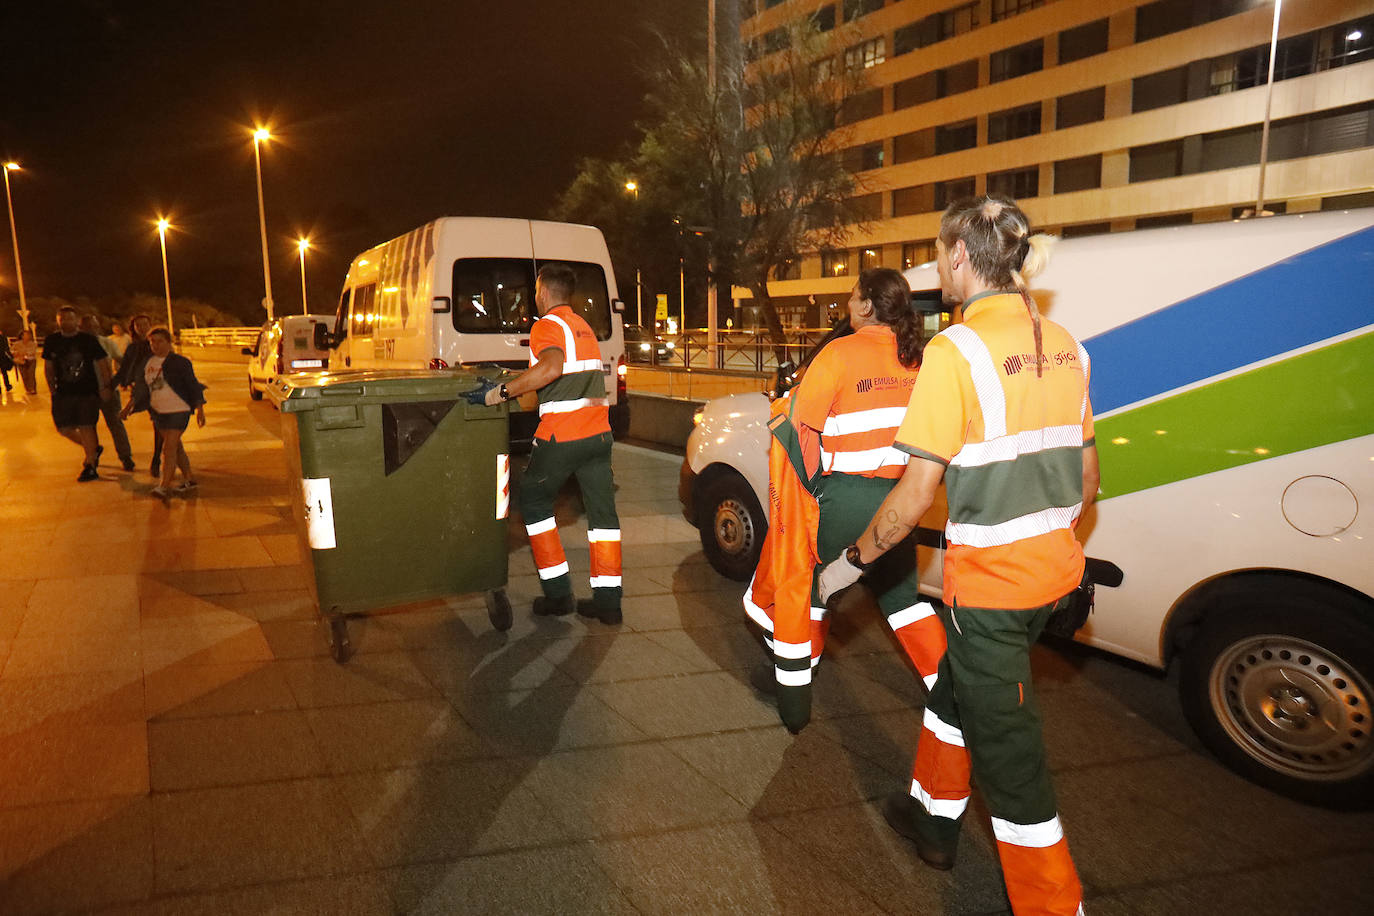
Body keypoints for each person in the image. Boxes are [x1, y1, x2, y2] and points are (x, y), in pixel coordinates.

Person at [818, 195, 1099, 916]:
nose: (939, 267)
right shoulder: (1068, 344)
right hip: (1055, 582)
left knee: (1015, 768)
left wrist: (847, 565)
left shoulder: (956, 350)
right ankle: (931, 816)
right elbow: (1089, 479)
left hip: (993, 595)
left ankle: (1053, 904)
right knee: (953, 694)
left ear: (962, 258)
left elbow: (912, 499)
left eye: (942, 253)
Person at [746, 269, 950, 738]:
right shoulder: (920, 360)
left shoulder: (838, 354)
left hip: (842, 499)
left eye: (852, 296)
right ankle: (950, 692)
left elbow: (801, 430)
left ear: (865, 306)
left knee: (812, 591)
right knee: (904, 603)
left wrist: (816, 486)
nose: (848, 303)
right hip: (901, 503)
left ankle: (792, 689)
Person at [470, 263, 622, 624]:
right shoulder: (583, 327)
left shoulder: (546, 326)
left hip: (562, 437)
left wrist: (500, 392)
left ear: (542, 292)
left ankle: (558, 595)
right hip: (598, 435)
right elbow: (563, 377)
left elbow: (552, 368)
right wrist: (525, 383)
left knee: (536, 502)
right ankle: (608, 602)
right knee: (603, 517)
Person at [120, 326, 205, 501]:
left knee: (168, 448)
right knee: (175, 447)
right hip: (158, 412)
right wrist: (128, 407)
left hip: (178, 409)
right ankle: (189, 478)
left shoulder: (180, 362)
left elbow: (192, 385)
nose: (155, 345)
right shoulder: (148, 363)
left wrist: (199, 409)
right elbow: (141, 389)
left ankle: (164, 486)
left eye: (159, 341)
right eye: (152, 342)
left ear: (168, 342)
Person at [42, 305, 113, 481]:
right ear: (58, 321)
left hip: (87, 391)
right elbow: (49, 366)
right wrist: (52, 389)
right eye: (62, 318)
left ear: (76, 321)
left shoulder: (87, 340)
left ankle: (90, 464)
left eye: (70, 318)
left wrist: (106, 386)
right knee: (64, 428)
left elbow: (103, 363)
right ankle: (93, 448)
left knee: (87, 426)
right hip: (63, 392)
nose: (66, 321)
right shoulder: (52, 340)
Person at [79, 314, 136, 471]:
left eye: (95, 326)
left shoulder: (106, 343)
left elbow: (121, 361)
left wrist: (118, 382)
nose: (93, 329)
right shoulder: (76, 345)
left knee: (116, 423)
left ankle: (125, 456)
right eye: (89, 326)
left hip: (108, 391)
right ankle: (92, 456)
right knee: (88, 427)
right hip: (85, 394)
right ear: (81, 328)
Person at [115, 314, 162, 476]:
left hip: (160, 389)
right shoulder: (133, 348)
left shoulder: (157, 344)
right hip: (142, 388)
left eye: (144, 324)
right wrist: (117, 383)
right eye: (138, 325)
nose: (142, 328)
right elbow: (126, 369)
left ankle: (158, 458)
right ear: (133, 328)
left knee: (160, 424)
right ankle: (163, 458)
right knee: (161, 424)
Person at [11, 329, 39, 395]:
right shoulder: (17, 344)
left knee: (31, 374)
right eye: (25, 335)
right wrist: (16, 353)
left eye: (28, 335)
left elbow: (33, 352)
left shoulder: (33, 344)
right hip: (21, 361)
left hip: (31, 360)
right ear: (22, 336)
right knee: (24, 375)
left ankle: (33, 389)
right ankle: (28, 389)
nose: (27, 336)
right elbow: (11, 351)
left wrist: (24, 353)